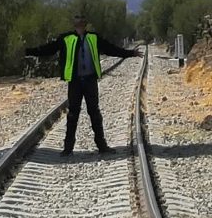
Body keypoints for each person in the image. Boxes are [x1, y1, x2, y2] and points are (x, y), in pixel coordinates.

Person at [27, 24, 136, 153]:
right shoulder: (66, 38)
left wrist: (130, 53)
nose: (80, 24)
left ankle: (101, 146)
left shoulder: (94, 38)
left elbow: (111, 49)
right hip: (75, 82)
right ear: (75, 24)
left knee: (94, 113)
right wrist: (29, 51)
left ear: (85, 24)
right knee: (73, 114)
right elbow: (49, 49)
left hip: (90, 80)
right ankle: (68, 148)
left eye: (82, 20)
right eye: (77, 20)